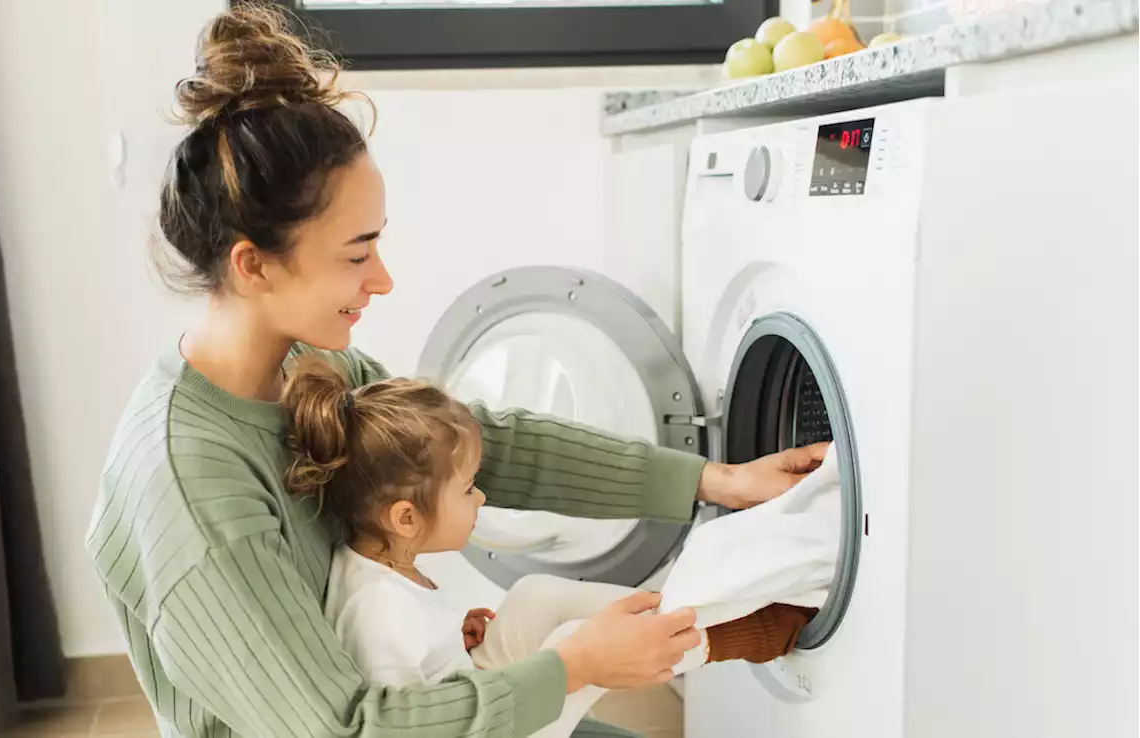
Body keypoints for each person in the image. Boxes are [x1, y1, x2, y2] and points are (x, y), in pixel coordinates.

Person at [85, 4, 828, 737]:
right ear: (254, 267)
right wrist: (573, 667)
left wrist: (713, 480)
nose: (383, 280)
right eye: (356, 254)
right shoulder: (193, 488)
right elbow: (348, 730)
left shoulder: (311, 365)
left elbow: (480, 447)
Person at [284, 355, 819, 738]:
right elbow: (406, 721)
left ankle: (684, 605)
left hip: (474, 692)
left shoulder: (383, 566)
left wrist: (452, 638)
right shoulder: (378, 610)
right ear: (405, 518)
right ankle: (744, 631)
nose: (483, 495)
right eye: (468, 488)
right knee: (570, 639)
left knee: (535, 595)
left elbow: (416, 666)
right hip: (488, 728)